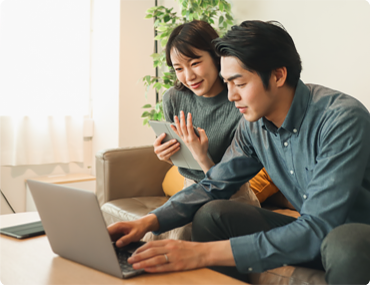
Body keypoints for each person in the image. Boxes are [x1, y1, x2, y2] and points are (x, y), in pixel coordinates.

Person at [108, 20, 370, 285]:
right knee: (214, 213)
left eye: (239, 83)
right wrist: (147, 222)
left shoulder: (340, 119)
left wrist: (201, 254)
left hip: (353, 240)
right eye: (227, 83)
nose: (231, 96)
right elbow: (213, 185)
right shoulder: (253, 127)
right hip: (314, 235)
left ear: (278, 76)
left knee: (344, 242)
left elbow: (319, 227)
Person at [152, 20, 260, 209]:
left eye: (195, 63)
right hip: (189, 191)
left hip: (232, 198)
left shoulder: (239, 102)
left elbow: (224, 184)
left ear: (216, 57)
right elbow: (183, 163)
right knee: (153, 231)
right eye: (178, 68)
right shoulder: (173, 98)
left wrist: (201, 155)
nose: (188, 76)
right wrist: (168, 155)